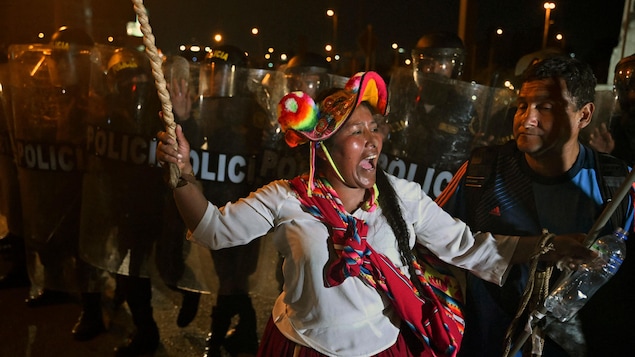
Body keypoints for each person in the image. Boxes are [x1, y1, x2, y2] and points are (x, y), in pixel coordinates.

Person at [156, 70, 594, 357]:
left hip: (380, 348)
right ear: (322, 146)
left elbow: (471, 248)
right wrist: (183, 174)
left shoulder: (401, 196)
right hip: (300, 345)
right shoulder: (286, 198)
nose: (373, 142)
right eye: (356, 132)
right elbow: (212, 229)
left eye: (374, 129)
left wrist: (549, 245)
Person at [436, 56, 635, 356]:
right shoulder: (481, 172)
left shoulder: (618, 186)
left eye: (546, 107)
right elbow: (432, 243)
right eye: (522, 105)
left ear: (584, 115)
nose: (527, 119)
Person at [79, 45, 165, 356]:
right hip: (119, 203)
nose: (132, 88)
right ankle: (139, 323)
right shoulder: (107, 108)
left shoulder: (156, 107)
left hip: (148, 204)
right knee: (125, 270)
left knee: (133, 274)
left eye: (138, 80)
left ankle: (147, 333)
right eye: (124, 81)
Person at [197, 44, 263, 357]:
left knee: (232, 276)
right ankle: (247, 333)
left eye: (221, 73)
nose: (215, 79)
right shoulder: (206, 105)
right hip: (216, 199)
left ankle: (219, 331)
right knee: (228, 275)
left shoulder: (251, 108)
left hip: (245, 205)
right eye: (211, 72)